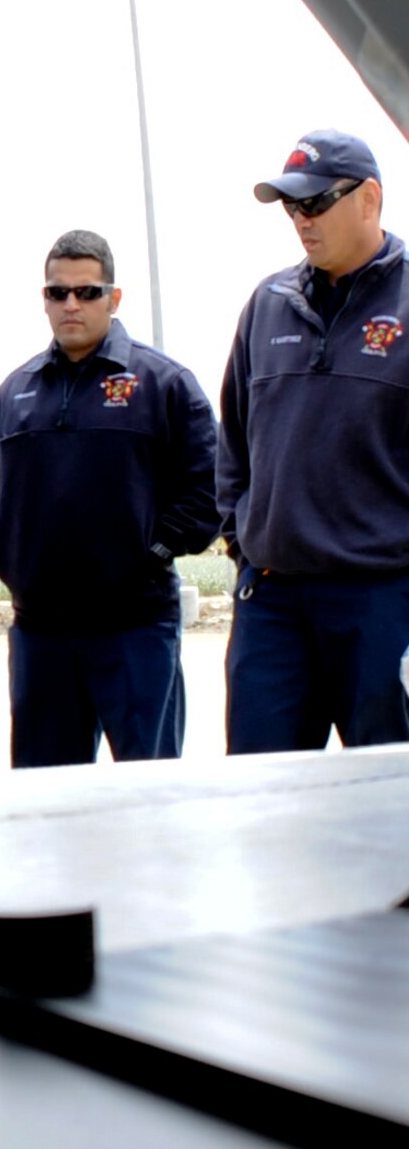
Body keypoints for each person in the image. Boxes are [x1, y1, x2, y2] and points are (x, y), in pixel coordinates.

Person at [0, 230, 219, 768]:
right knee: (45, 801)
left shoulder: (162, 384)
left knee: (147, 792)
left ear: (115, 297)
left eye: (88, 292)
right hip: (41, 635)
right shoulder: (17, 392)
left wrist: (152, 555)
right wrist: (4, 555)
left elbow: (209, 487)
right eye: (58, 293)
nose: (72, 305)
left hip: (134, 628)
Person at [219, 130, 409, 754]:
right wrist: (242, 536)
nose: (300, 220)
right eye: (291, 207)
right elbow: (235, 441)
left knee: (388, 803)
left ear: (370, 199)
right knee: (261, 800)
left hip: (382, 603)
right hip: (273, 604)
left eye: (315, 203)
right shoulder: (268, 305)